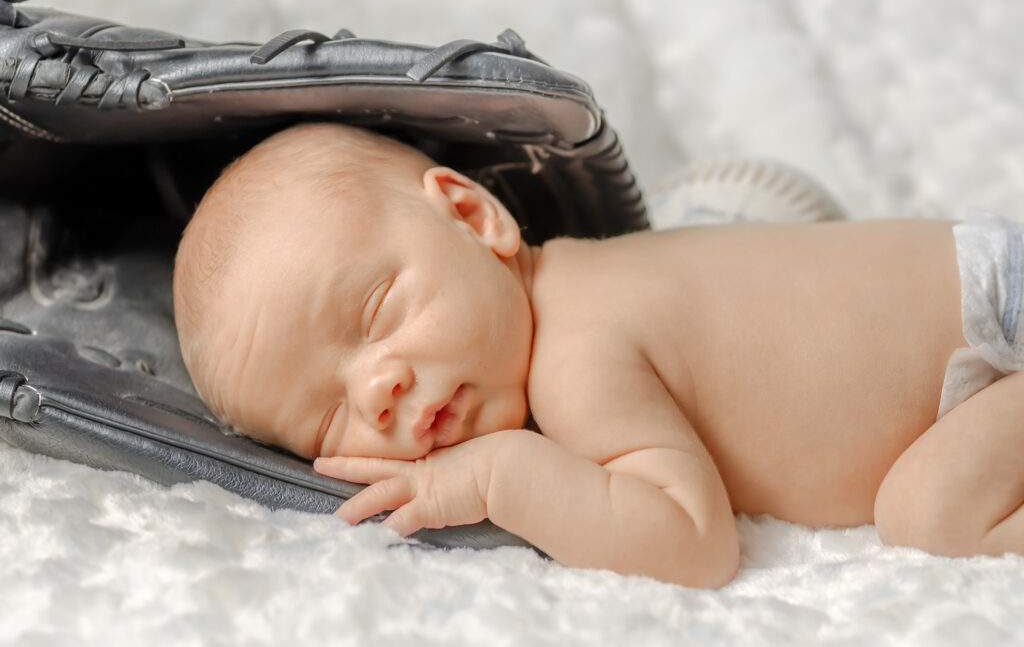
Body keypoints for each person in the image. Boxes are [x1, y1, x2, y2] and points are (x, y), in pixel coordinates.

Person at [172, 121, 1024, 588]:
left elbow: (692, 543)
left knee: (930, 515)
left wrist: (496, 474)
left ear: (475, 219)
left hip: (993, 330)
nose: (379, 387)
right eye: (329, 412)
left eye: (377, 311)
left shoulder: (574, 356)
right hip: (978, 295)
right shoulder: (596, 266)